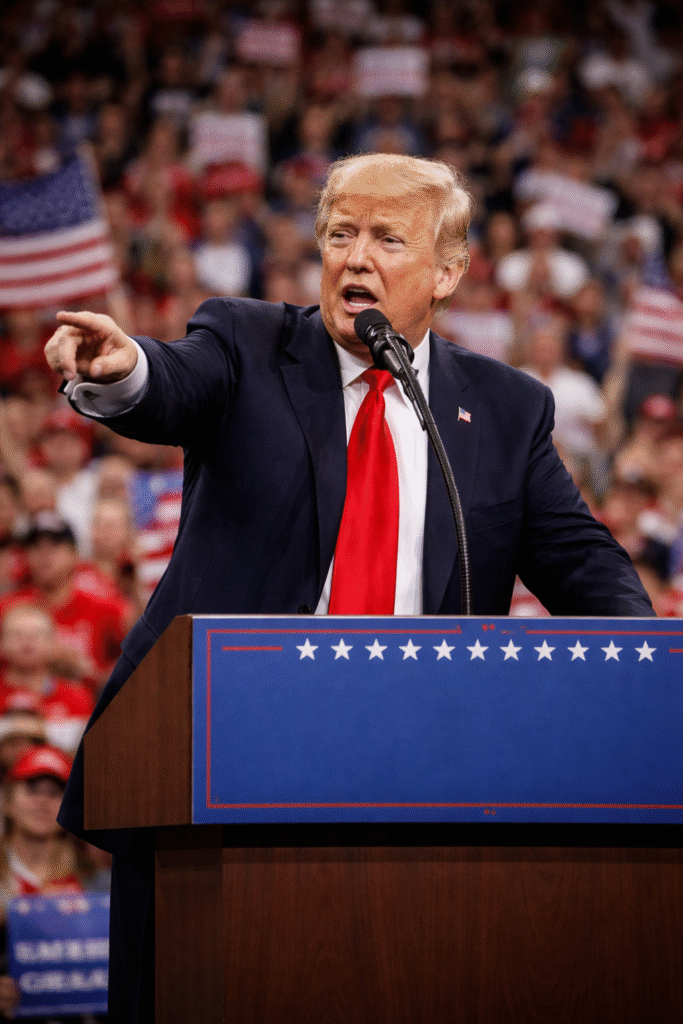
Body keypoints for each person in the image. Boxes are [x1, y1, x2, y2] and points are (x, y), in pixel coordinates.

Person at [43, 153, 654, 1023]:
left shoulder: (508, 408)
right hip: (215, 766)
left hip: (423, 783)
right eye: (340, 234)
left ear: (447, 272)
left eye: (385, 238)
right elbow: (170, 382)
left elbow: (587, 571)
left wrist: (651, 673)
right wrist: (121, 370)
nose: (354, 257)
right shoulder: (250, 343)